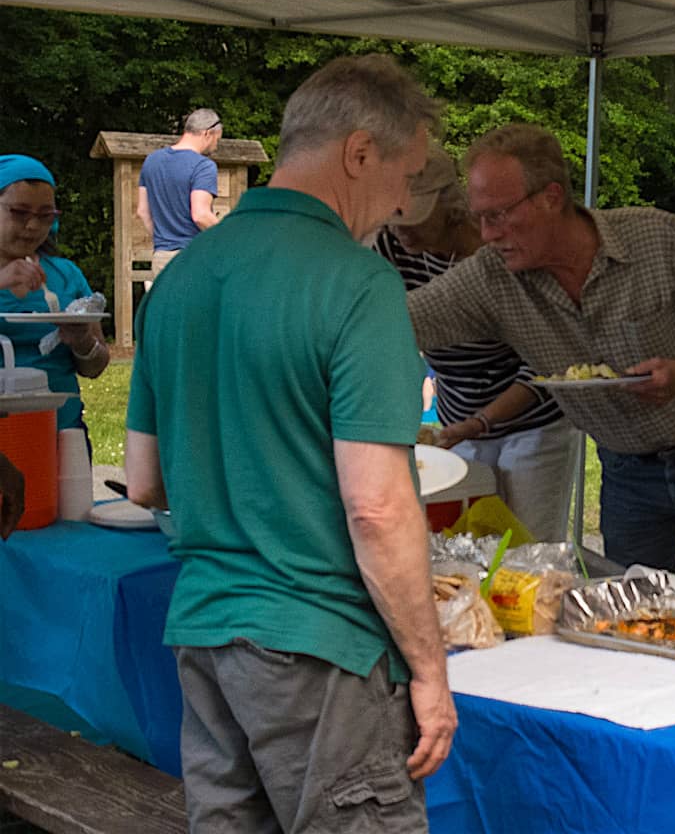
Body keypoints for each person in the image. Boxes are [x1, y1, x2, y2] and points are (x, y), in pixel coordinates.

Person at [125, 55, 456, 830]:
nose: (407, 202)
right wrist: (430, 673)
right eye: (406, 174)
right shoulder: (358, 283)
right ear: (359, 152)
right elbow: (377, 508)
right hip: (320, 645)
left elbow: (144, 481)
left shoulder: (178, 279)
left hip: (206, 635)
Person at [405, 123, 675, 599]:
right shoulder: (493, 277)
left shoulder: (655, 237)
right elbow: (403, 320)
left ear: (551, 197)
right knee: (637, 622)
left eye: (500, 216)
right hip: (629, 472)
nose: (486, 235)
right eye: (479, 217)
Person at [372, 142, 577, 541]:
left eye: (413, 218)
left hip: (532, 421)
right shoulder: (392, 245)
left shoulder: (506, 251)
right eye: (393, 218)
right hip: (456, 416)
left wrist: (482, 421)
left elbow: (545, 360)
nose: (400, 229)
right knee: (468, 540)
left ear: (449, 206)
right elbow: (383, 328)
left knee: (529, 547)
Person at [0, 156, 110, 443]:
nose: (33, 225)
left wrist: (82, 342)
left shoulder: (65, 275)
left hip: (61, 432)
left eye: (45, 215)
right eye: (20, 212)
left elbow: (95, 367)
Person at [137, 107, 222, 280]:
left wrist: (164, 241)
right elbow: (200, 215)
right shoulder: (203, 166)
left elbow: (142, 212)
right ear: (207, 133)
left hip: (161, 258)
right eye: (216, 141)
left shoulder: (152, 161)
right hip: (193, 258)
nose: (215, 146)